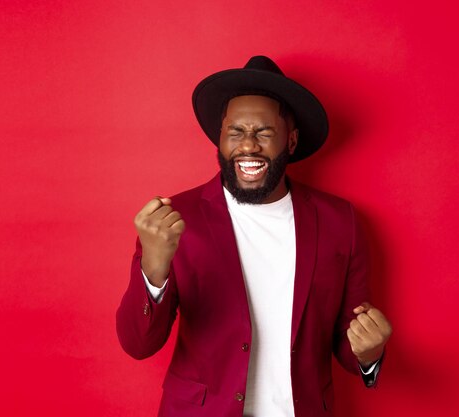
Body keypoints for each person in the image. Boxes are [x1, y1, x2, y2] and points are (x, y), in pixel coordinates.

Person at [116, 55, 392, 417]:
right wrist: (153, 268)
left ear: (291, 141)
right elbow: (138, 344)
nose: (248, 146)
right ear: (220, 138)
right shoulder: (174, 220)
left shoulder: (341, 222)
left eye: (264, 132)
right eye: (236, 132)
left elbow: (348, 339)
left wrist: (369, 354)